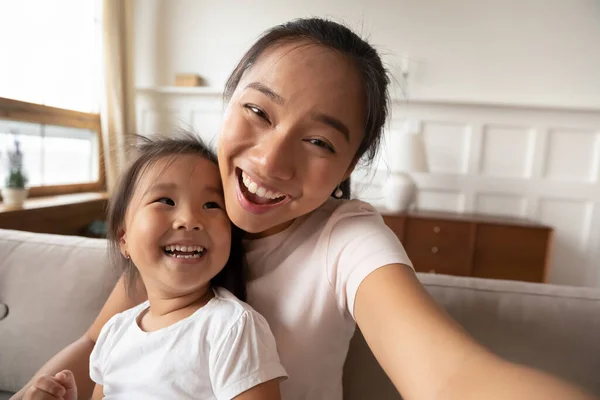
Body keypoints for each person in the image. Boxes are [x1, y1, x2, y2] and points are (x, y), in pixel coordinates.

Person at [16, 17, 593, 400]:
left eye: (319, 142)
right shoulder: (181, 222)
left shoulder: (348, 238)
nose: (270, 161)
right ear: (228, 101)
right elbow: (97, 343)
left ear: (348, 170)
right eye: (259, 113)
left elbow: (450, 377)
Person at [22, 134, 286, 400]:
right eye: (166, 201)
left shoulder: (231, 327)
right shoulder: (114, 332)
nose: (189, 220)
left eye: (211, 205)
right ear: (123, 238)